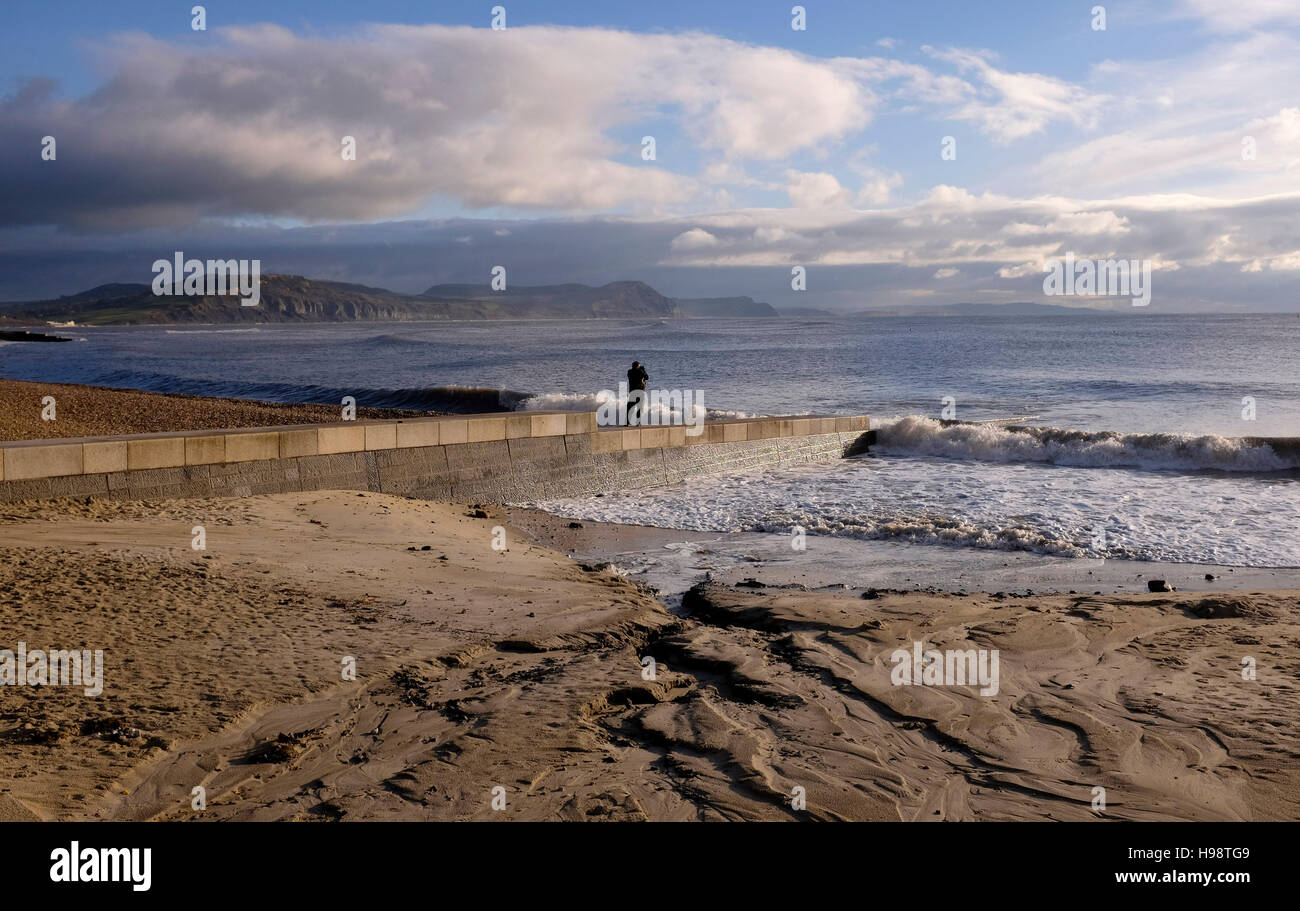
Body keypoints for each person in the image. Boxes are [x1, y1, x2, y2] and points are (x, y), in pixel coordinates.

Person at [626, 360, 649, 425]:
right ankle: (638, 422)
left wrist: (640, 369)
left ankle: (627, 422)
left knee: (630, 407)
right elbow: (647, 377)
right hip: (640, 392)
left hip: (632, 392)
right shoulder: (640, 372)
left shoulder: (629, 372)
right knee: (639, 407)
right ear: (637, 366)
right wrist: (643, 370)